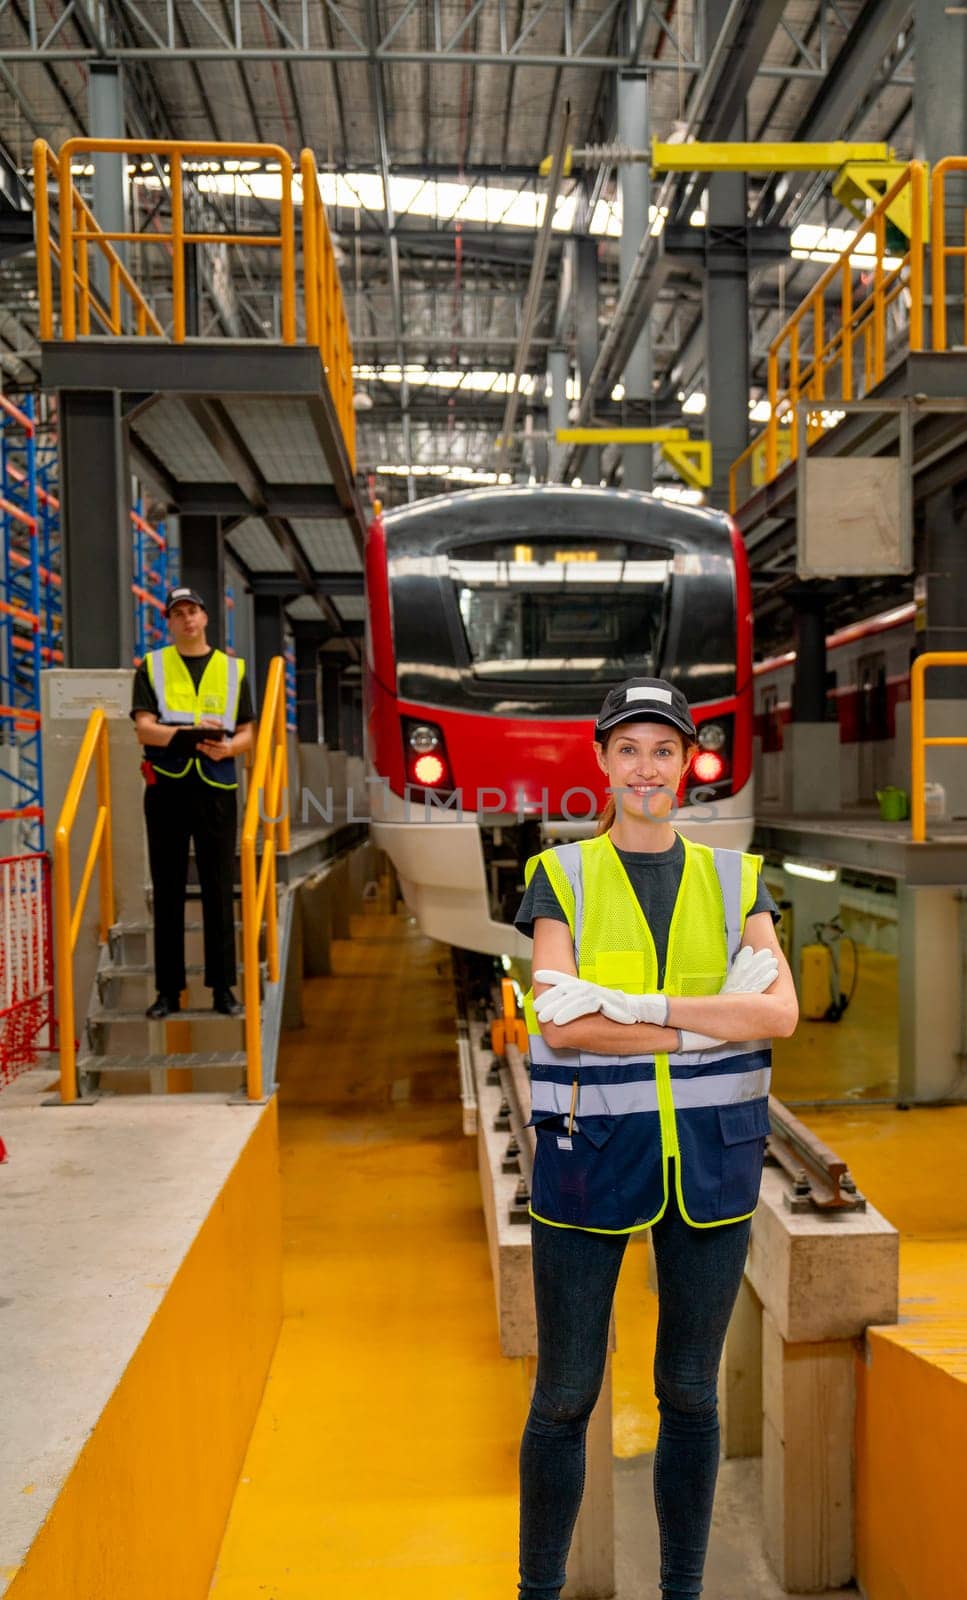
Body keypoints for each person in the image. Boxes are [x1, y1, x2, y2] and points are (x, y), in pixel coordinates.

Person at [514, 675, 798, 1600]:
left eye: (663, 750)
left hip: (710, 1166)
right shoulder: (558, 875)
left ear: (688, 765)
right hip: (587, 1164)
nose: (646, 768)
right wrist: (708, 1020)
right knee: (563, 1398)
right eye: (628, 750)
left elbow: (782, 1014)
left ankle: (682, 1591)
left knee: (689, 1393)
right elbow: (561, 1022)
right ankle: (539, 1593)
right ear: (600, 761)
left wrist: (635, 1006)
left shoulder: (735, 877)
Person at [130, 585, 256, 1019]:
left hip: (217, 786)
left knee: (219, 888)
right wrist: (183, 736)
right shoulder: (152, 666)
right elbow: (144, 728)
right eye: (178, 613)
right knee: (167, 889)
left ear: (205, 617)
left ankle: (223, 989)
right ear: (169, 621)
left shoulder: (232, 669)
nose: (187, 619)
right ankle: (168, 991)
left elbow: (247, 730)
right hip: (166, 786)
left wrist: (232, 749)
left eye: (193, 611)